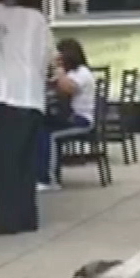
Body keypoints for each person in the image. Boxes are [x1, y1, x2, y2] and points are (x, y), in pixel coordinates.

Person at [0, 0, 51, 234]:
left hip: (8, 99)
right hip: (33, 101)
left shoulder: (12, 16)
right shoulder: (42, 24)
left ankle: (7, 221)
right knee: (24, 165)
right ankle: (26, 218)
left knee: (3, 165)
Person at [40, 38, 98, 191]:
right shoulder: (72, 73)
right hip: (69, 118)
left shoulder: (82, 73)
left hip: (82, 121)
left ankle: (49, 180)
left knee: (50, 135)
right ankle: (43, 172)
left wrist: (59, 71)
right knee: (41, 128)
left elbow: (68, 88)